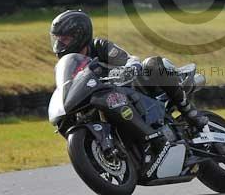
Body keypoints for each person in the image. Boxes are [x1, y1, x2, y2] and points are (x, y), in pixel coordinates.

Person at [49, 9, 208, 177]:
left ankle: (188, 111)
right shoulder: (68, 63)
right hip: (101, 98)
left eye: (65, 39)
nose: (59, 45)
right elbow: (67, 85)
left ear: (80, 35)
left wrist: (130, 67)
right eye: (57, 39)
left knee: (153, 64)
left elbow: (129, 59)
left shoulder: (100, 47)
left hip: (134, 88)